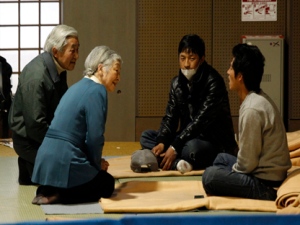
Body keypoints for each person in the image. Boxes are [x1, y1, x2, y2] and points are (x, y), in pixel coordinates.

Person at [31, 45, 122, 205]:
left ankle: (48, 190)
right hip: (66, 159)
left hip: (45, 160)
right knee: (107, 184)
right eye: (116, 70)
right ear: (101, 69)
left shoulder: (76, 87)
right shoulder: (97, 91)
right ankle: (61, 195)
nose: (119, 77)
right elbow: (94, 137)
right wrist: (96, 165)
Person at [202, 43, 292, 200]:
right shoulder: (258, 97)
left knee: (209, 176)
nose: (228, 72)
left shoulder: (252, 108)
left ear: (240, 76)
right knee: (221, 158)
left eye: (231, 68)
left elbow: (247, 164)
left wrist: (231, 174)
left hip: (266, 183)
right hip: (261, 170)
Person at [140, 34, 238, 174]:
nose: (186, 64)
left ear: (202, 59)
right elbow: (170, 118)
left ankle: (170, 160)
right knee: (147, 136)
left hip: (212, 141)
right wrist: (162, 141)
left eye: (192, 59)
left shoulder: (213, 82)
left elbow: (200, 122)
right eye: (182, 58)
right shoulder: (176, 83)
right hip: (187, 136)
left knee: (191, 149)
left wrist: (174, 147)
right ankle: (178, 162)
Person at [8, 24, 80, 185]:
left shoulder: (58, 69)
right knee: (70, 174)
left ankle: (31, 167)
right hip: (29, 141)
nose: (77, 55)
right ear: (56, 51)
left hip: (43, 135)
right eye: (72, 50)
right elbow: (35, 125)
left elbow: (63, 108)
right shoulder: (37, 76)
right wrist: (62, 146)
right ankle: (31, 164)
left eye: (77, 50)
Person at [0, 55, 12, 138]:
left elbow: (7, 84)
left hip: (4, 98)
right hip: (4, 96)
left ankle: (5, 139)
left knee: (6, 122)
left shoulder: (4, 65)